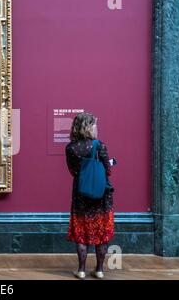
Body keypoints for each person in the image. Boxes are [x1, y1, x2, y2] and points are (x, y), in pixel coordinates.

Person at [65, 112, 114, 279]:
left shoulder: (70, 148)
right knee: (101, 232)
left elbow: (73, 171)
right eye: (94, 125)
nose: (96, 128)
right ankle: (99, 270)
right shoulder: (99, 145)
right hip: (101, 195)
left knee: (81, 233)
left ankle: (81, 270)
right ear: (87, 127)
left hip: (80, 193)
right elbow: (107, 169)